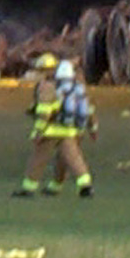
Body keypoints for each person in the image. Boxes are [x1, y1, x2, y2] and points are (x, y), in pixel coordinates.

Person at [14, 54, 94, 198]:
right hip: (68, 130)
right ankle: (85, 186)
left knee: (38, 159)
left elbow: (44, 112)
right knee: (74, 159)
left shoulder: (46, 86)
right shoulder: (74, 86)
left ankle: (28, 189)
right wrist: (93, 128)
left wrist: (39, 131)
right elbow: (87, 108)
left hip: (50, 131)